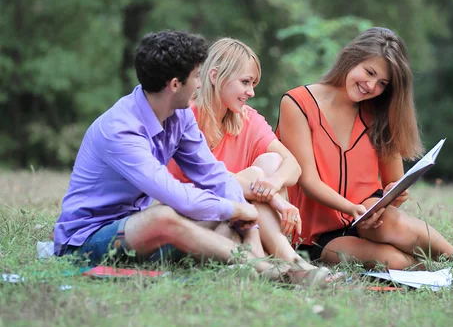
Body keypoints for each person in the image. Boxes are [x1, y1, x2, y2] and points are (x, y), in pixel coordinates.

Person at [53, 30, 324, 285]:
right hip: (86, 241)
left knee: (222, 209)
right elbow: (175, 194)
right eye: (196, 77)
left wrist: (245, 214)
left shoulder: (179, 116)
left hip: (136, 229)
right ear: (174, 84)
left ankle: (261, 264)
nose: (199, 83)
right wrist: (236, 209)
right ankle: (263, 267)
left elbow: (212, 174)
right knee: (163, 217)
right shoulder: (120, 130)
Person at [277, 27, 453, 269]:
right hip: (317, 235)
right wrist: (353, 209)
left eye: (382, 83)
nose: (370, 86)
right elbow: (308, 181)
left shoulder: (379, 113)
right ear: (351, 58)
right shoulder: (297, 103)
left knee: (393, 224)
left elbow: (395, 183)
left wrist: (392, 197)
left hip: (368, 217)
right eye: (369, 72)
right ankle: (420, 266)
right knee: (396, 262)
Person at [167, 38, 326, 276]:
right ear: (214, 76)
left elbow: (292, 164)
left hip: (238, 218)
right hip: (195, 218)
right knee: (254, 177)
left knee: (271, 163)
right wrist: (275, 198)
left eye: (252, 84)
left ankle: (267, 259)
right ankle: (282, 262)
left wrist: (273, 183)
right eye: (245, 82)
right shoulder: (185, 117)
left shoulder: (246, 118)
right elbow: (211, 176)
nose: (251, 92)